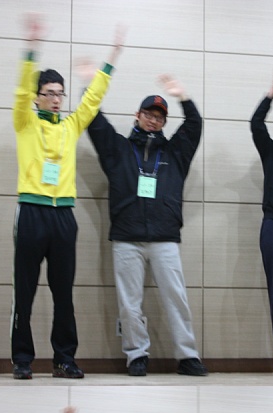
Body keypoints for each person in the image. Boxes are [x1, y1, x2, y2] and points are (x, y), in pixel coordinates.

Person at [11, 15, 123, 380]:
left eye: (60, 93)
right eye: (50, 93)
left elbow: (92, 99)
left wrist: (111, 58)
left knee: (63, 294)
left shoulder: (71, 126)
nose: (57, 99)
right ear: (38, 97)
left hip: (63, 217)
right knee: (25, 291)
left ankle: (64, 359)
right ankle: (22, 359)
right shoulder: (25, 122)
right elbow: (21, 91)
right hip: (31, 212)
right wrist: (32, 49)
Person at [87, 76, 207, 377]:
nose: (153, 120)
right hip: (126, 239)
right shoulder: (118, 149)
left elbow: (194, 125)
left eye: (159, 117)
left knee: (176, 298)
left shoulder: (175, 153)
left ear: (164, 122)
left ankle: (187, 356)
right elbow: (95, 122)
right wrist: (91, 86)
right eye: (149, 115)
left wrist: (183, 97)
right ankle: (136, 354)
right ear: (137, 115)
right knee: (129, 303)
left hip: (165, 238)